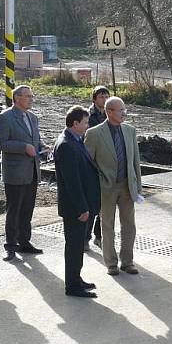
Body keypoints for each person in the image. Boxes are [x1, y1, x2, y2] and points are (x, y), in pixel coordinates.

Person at [84, 96, 143, 276]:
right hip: (106, 188)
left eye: (124, 109)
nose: (124, 113)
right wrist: (93, 187)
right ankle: (111, 263)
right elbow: (87, 163)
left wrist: (137, 186)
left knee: (129, 225)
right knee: (107, 225)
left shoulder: (130, 131)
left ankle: (128, 261)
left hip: (126, 186)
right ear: (109, 112)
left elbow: (135, 161)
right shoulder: (94, 133)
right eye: (120, 110)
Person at [0, 85, 47, 262]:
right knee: (14, 209)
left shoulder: (33, 117)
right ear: (17, 98)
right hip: (15, 173)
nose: (31, 99)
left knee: (27, 209)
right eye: (28, 96)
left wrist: (42, 146)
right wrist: (23, 148)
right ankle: (10, 246)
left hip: (31, 171)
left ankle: (24, 242)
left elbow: (35, 139)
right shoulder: (6, 117)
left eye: (32, 96)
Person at [53, 106, 101, 298]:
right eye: (85, 122)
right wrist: (82, 208)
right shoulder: (66, 144)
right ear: (75, 124)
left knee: (77, 245)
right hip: (75, 208)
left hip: (81, 205)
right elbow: (72, 182)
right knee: (73, 247)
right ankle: (72, 286)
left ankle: (76, 278)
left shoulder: (75, 139)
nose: (87, 126)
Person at [85, 86, 110, 248]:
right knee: (91, 206)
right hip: (92, 164)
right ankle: (85, 237)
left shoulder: (110, 113)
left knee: (105, 205)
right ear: (95, 99)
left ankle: (99, 236)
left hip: (106, 164)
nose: (104, 99)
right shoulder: (88, 115)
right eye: (101, 96)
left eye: (107, 96)